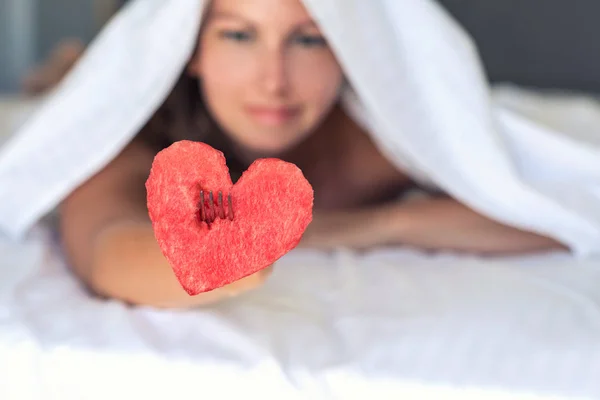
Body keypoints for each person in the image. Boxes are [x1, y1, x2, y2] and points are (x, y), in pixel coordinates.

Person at [35, 0, 568, 308]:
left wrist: (368, 225)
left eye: (309, 41)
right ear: (193, 49)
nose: (275, 82)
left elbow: (552, 209)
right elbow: (106, 246)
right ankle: (69, 67)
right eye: (240, 36)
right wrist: (230, 257)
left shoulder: (374, 138)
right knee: (65, 86)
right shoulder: (137, 137)